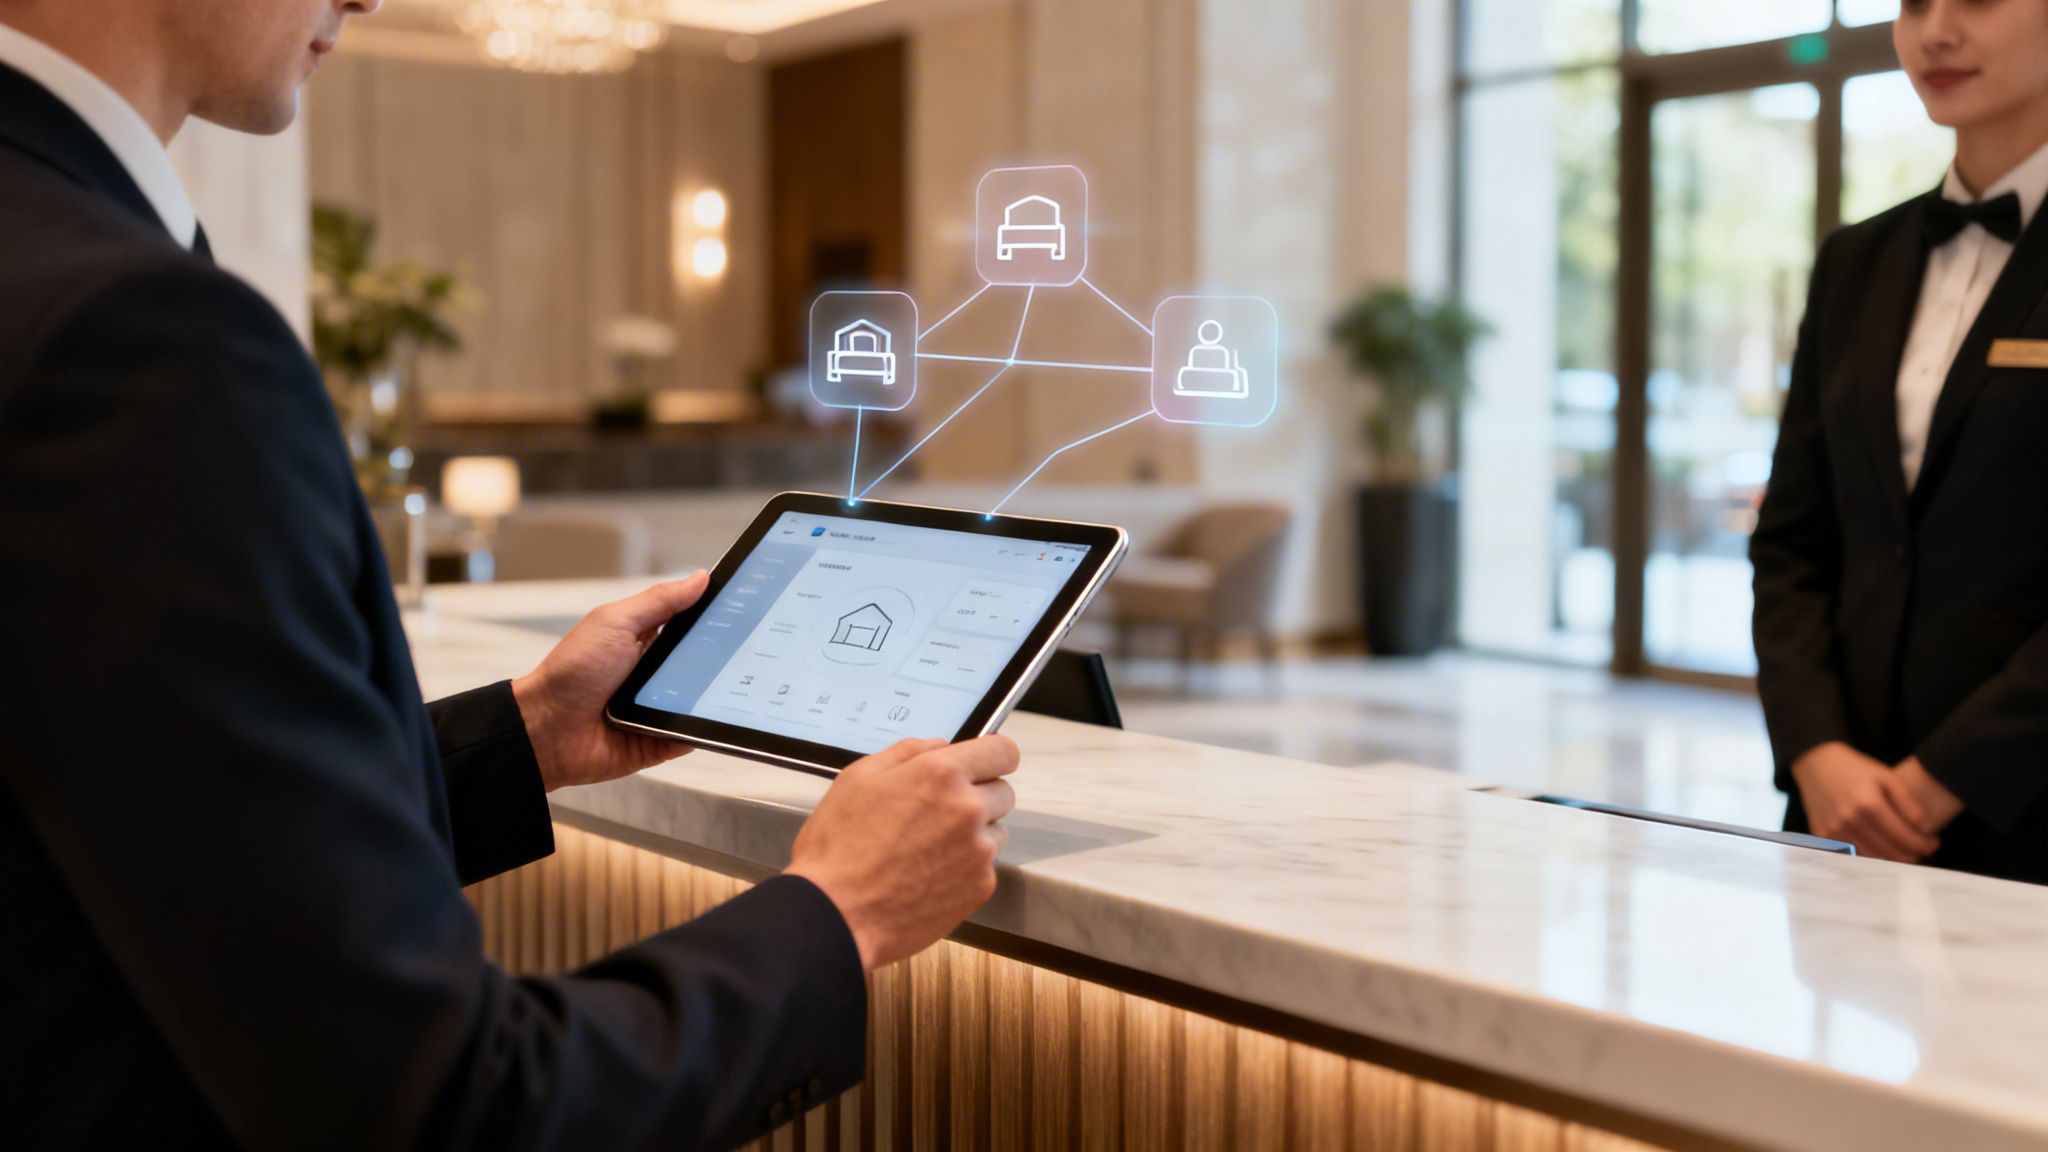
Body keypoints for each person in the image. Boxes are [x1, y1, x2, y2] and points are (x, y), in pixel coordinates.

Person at [0, 1, 1019, 1147]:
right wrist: (840, 911)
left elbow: (145, 826)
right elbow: (439, 1109)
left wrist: (522, 736)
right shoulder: (136, 336)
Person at [1752, 0, 2048, 883]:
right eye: (1916, 2)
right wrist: (1816, 752)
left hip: (2026, 811)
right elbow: (1794, 540)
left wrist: (1941, 781)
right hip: (1841, 812)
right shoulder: (1856, 260)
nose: (1936, 31)